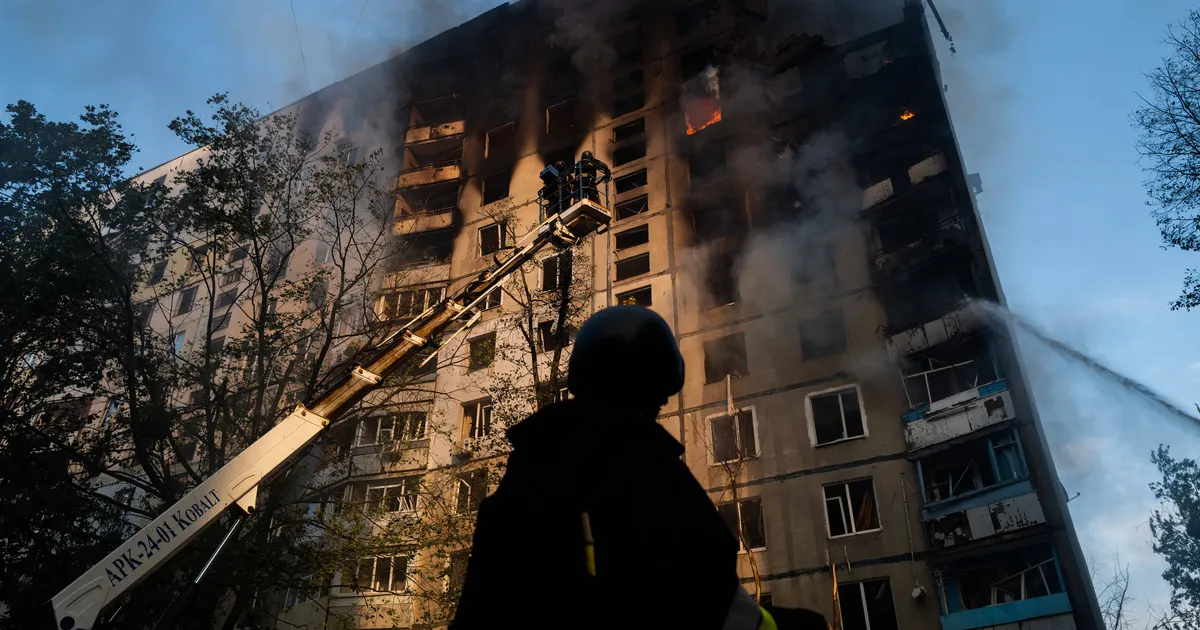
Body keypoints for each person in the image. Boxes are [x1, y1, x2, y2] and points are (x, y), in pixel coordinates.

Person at [450, 306, 778, 630]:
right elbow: (710, 583)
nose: (662, 405)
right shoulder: (646, 468)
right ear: (652, 386)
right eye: (659, 396)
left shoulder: (527, 471)